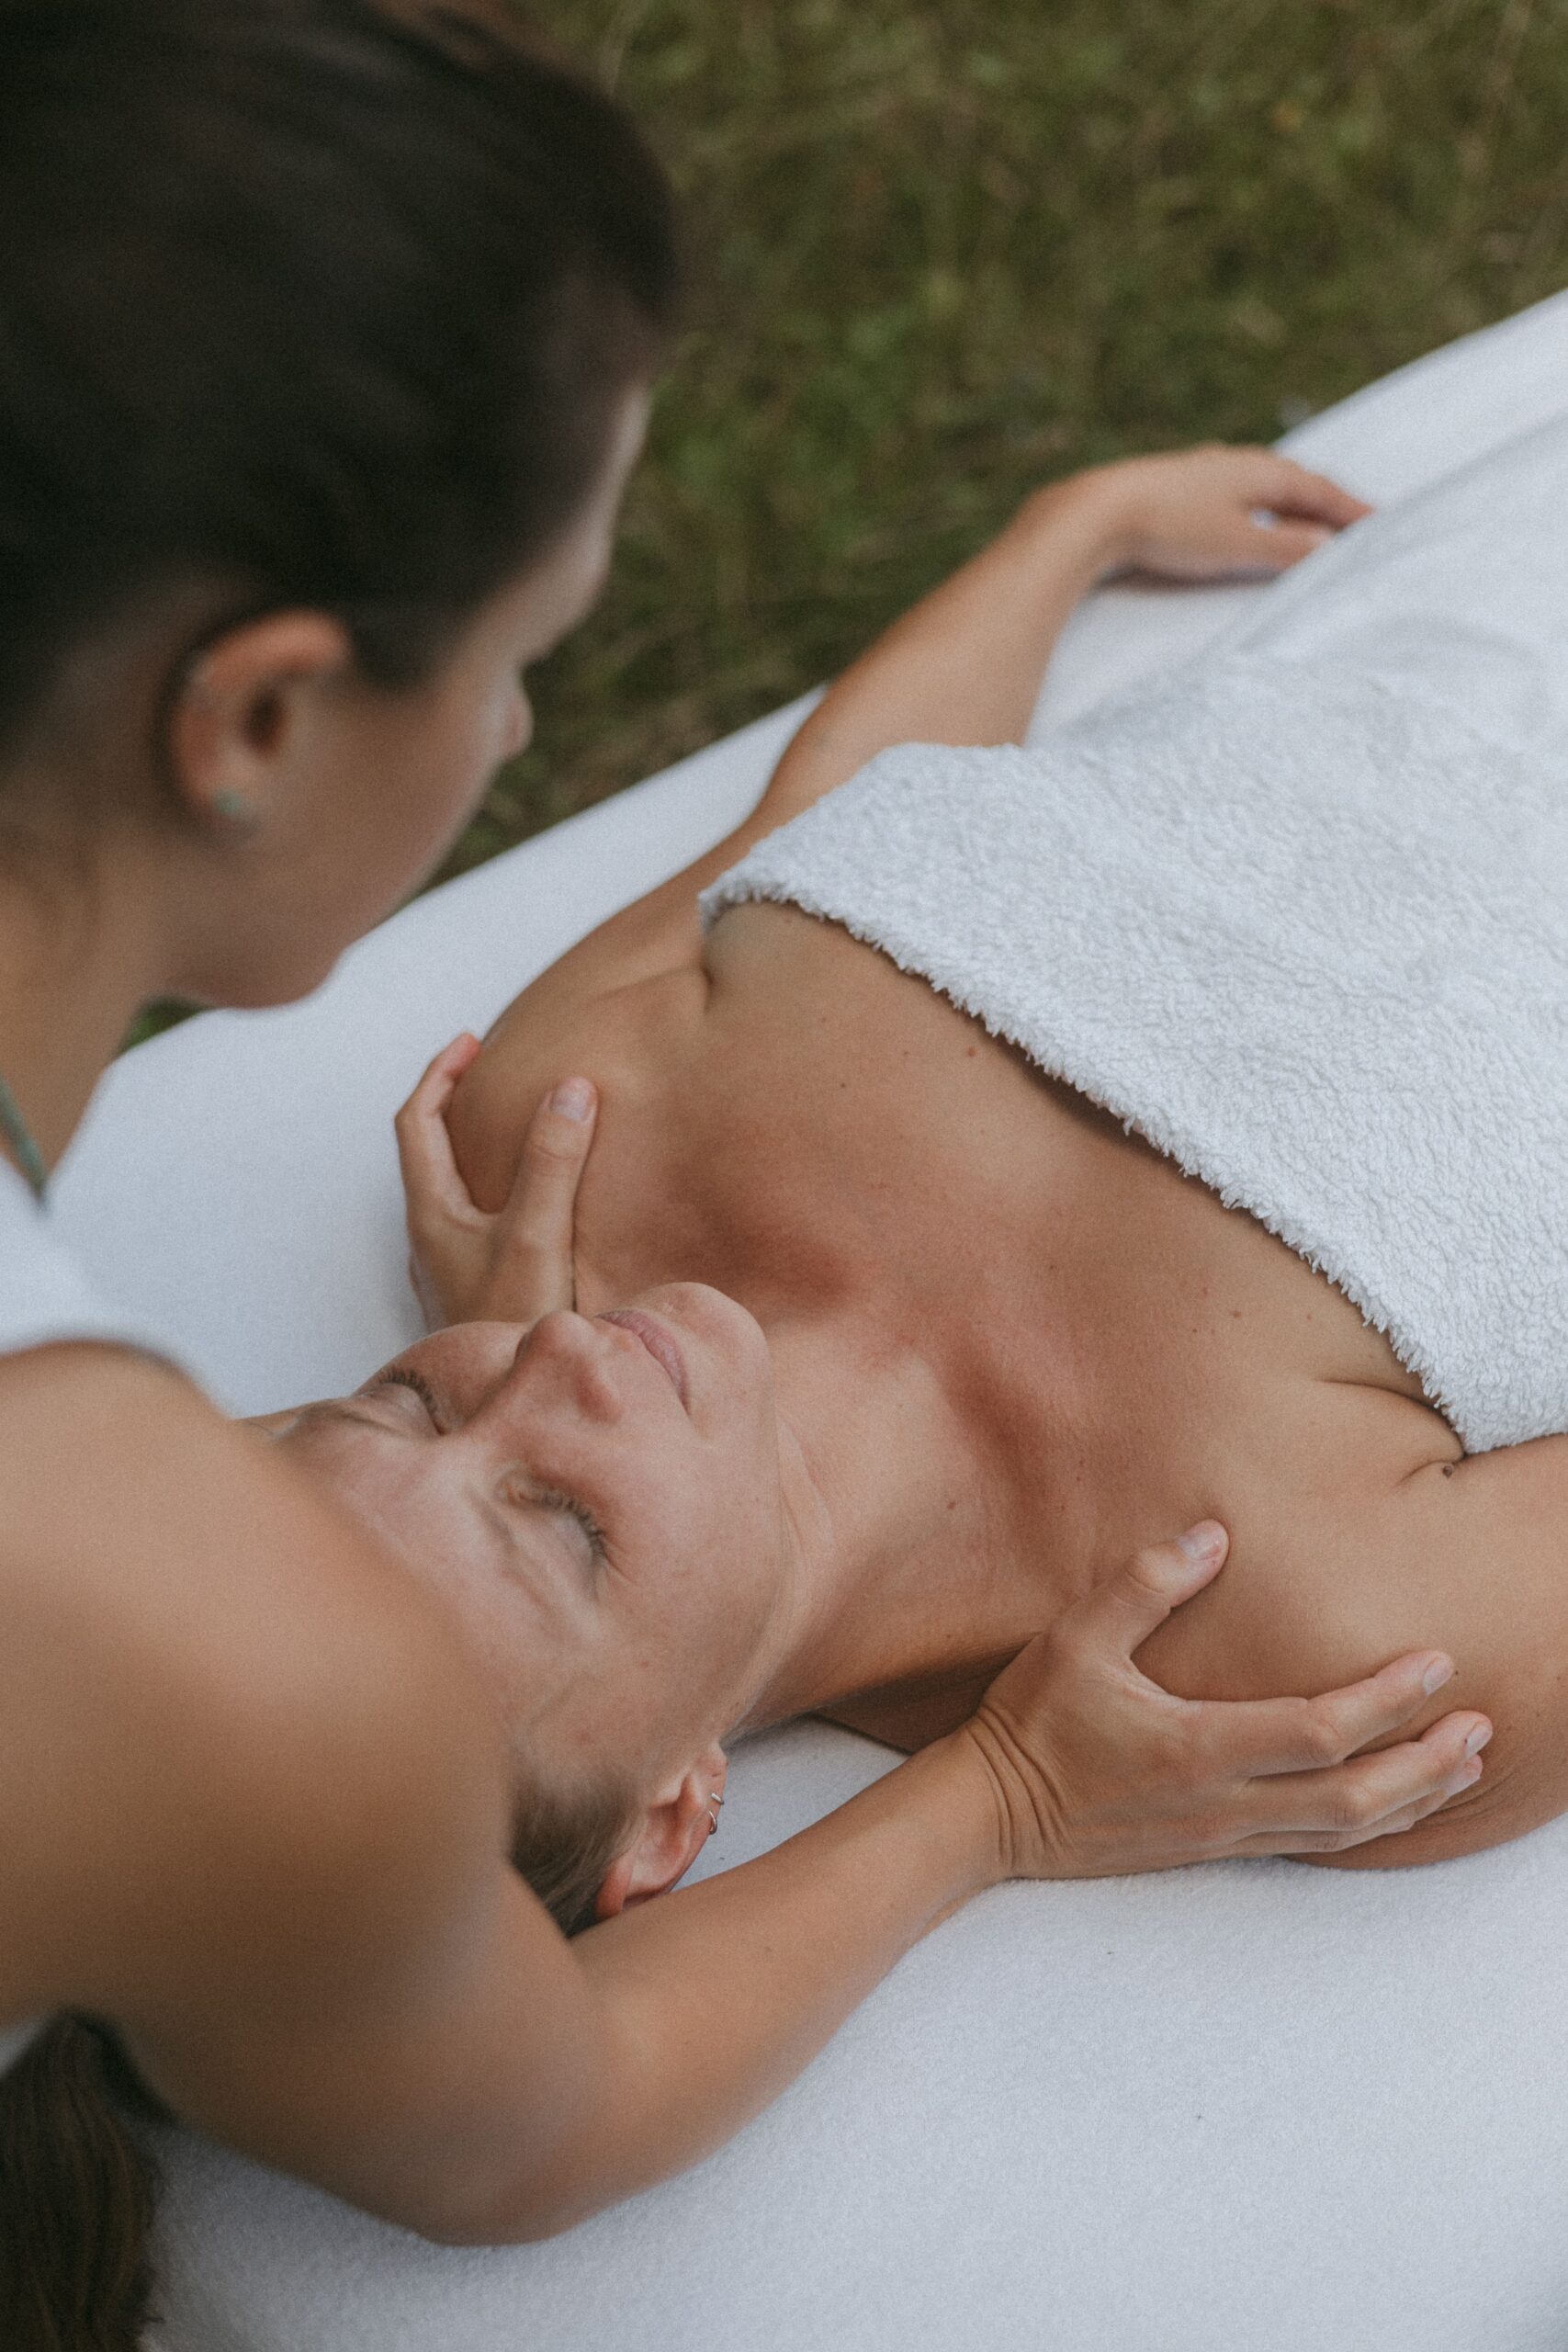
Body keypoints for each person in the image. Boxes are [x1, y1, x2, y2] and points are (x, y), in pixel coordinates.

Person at [0, 3, 1483, 2340]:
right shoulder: (199, 1646)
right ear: (257, 717)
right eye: (519, 671)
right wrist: (995, 1794)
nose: (514, 748)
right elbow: (526, 2117)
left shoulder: (487, 1256)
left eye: (398, 1398)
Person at [274, 433, 1543, 1939]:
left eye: (409, 1400)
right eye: (563, 1524)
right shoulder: (1298, 1663)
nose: (542, 1359)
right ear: (669, 1810)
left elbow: (832, 815)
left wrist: (1072, 530)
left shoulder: (558, 1129)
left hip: (1473, 602)